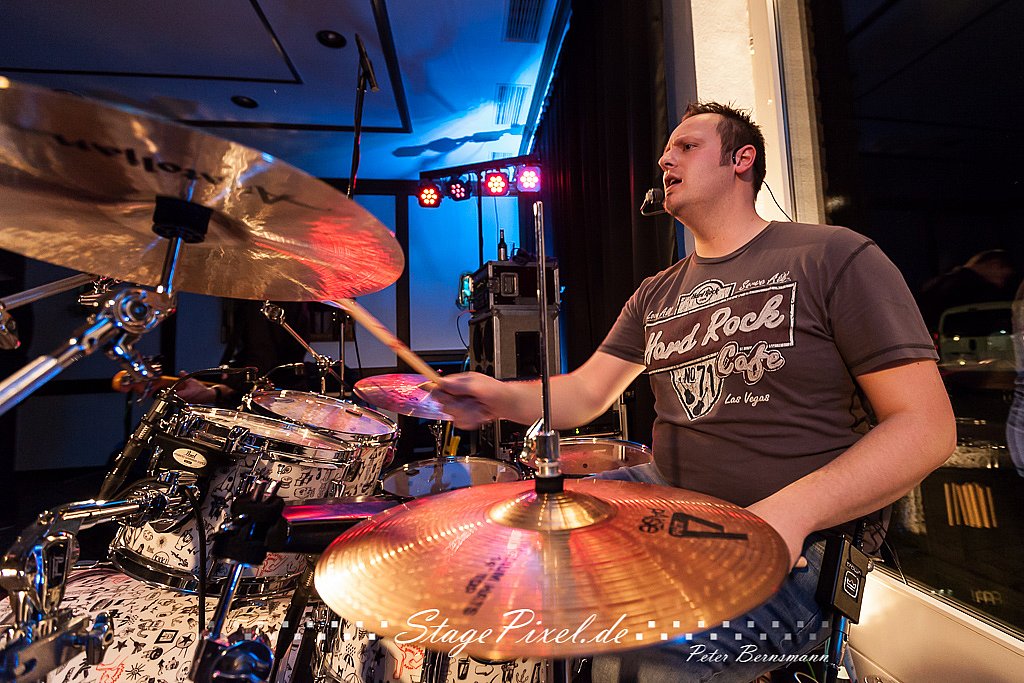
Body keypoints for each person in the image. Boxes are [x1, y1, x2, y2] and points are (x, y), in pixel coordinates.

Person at [430, 102, 955, 682]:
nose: (665, 160)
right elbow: (584, 393)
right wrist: (495, 396)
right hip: (670, 504)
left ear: (741, 160)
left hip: (802, 536)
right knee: (502, 552)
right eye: (666, 151)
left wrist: (788, 515)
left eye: (687, 147)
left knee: (636, 663)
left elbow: (926, 428)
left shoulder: (833, 256)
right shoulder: (655, 293)